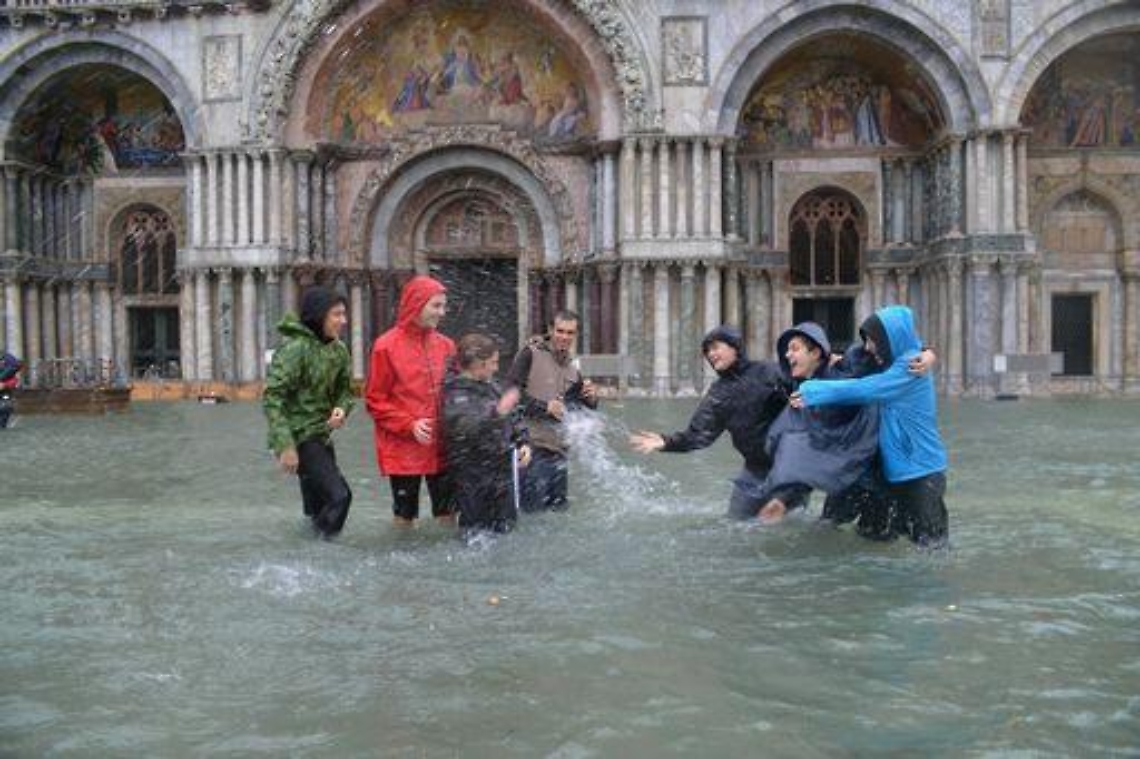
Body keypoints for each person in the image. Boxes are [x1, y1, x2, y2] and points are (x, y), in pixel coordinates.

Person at [792, 305, 950, 547]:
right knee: (884, 543)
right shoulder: (885, 359)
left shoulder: (910, 366)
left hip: (921, 473)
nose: (868, 347)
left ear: (889, 339)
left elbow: (867, 389)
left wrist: (811, 391)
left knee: (933, 548)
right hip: (892, 473)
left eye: (873, 340)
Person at [629, 324, 803, 520]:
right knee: (734, 526)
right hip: (754, 471)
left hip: (791, 469)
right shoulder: (718, 394)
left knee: (786, 525)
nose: (710, 354)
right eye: (706, 351)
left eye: (715, 347)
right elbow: (698, 435)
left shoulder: (769, 372)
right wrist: (666, 442)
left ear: (734, 346)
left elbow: (808, 390)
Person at [262, 287, 355, 538]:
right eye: (337, 314)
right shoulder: (295, 349)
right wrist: (285, 446)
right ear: (318, 315)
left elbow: (345, 392)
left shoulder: (339, 351)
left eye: (344, 314)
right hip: (301, 437)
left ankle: (309, 556)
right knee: (340, 497)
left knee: (317, 509)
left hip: (323, 436)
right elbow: (273, 397)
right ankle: (322, 555)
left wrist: (341, 409)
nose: (343, 321)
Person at [366, 275, 456, 526]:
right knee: (404, 516)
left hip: (442, 444)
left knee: (448, 514)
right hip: (403, 447)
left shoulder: (447, 346)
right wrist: (410, 425)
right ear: (417, 304)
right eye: (436, 306)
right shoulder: (385, 346)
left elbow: (458, 393)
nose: (442, 313)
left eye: (443, 306)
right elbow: (375, 400)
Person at [505, 310, 597, 512]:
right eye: (560, 331)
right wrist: (543, 406)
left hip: (559, 453)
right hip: (530, 449)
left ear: (576, 335)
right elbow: (509, 394)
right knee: (532, 516)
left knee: (558, 514)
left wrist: (591, 399)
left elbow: (575, 407)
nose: (564, 337)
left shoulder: (573, 367)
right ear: (550, 330)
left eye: (570, 332)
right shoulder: (530, 353)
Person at [442, 333, 532, 542]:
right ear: (478, 365)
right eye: (493, 363)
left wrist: (523, 441)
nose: (496, 368)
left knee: (507, 533)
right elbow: (463, 426)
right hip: (471, 481)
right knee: (474, 538)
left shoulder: (493, 385)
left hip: (501, 476)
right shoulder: (454, 392)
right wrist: (495, 413)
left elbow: (514, 415)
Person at [0, 349, 23, 429]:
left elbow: (14, 379)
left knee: (5, 406)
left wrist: (5, 385)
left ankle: (2, 424)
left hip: (4, 390)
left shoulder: (8, 361)